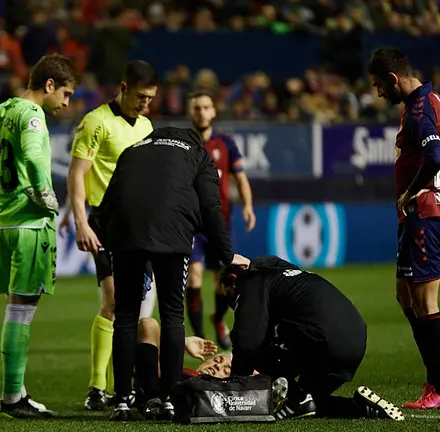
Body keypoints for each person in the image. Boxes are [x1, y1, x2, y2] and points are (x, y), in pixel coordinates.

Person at [0, 54, 79, 418]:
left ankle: (17, 392)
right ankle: (12, 398)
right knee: (21, 313)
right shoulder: (32, 115)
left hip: (2, 225)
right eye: (66, 94)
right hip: (30, 227)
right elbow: (33, 155)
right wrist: (45, 194)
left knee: (15, 308)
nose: (66, 103)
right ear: (49, 84)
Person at [96, 126, 236, 421]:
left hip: (126, 235)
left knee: (125, 316)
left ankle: (122, 401)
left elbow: (106, 205)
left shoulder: (131, 151)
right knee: (172, 314)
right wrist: (226, 255)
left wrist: (113, 244)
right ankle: (171, 399)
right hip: (174, 234)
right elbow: (211, 205)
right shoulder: (198, 153)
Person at [367, 47, 440, 410]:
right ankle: (436, 379)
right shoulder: (433, 100)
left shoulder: (420, 109)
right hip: (423, 212)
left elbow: (436, 156)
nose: (378, 93)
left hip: (425, 212)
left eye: (379, 85)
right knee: (405, 296)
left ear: (394, 79)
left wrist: (413, 190)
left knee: (423, 302)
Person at [62, 60, 159, 410]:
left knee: (139, 308)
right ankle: (97, 387)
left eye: (150, 98)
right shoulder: (96, 122)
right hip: (105, 222)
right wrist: (80, 221)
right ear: (123, 87)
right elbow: (77, 173)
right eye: (141, 96)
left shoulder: (146, 126)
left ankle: (129, 384)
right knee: (113, 301)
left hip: (140, 225)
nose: (145, 103)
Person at [217, 255, 404, 421]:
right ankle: (360, 408)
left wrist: (236, 388)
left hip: (323, 343)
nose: (232, 304)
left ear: (234, 279)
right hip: (354, 344)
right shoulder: (279, 272)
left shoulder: (251, 282)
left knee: (258, 346)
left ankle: (287, 396)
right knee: (308, 402)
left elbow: (247, 343)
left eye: (228, 296)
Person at [185, 91, 256, 347]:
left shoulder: (226, 143)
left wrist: (248, 205)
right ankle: (201, 337)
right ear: (190, 112)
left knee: (223, 279)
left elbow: (240, 177)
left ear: (213, 111)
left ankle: (217, 318)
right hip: (192, 224)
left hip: (220, 223)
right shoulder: (184, 143)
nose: (202, 112)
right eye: (197, 108)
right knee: (194, 276)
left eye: (206, 107)